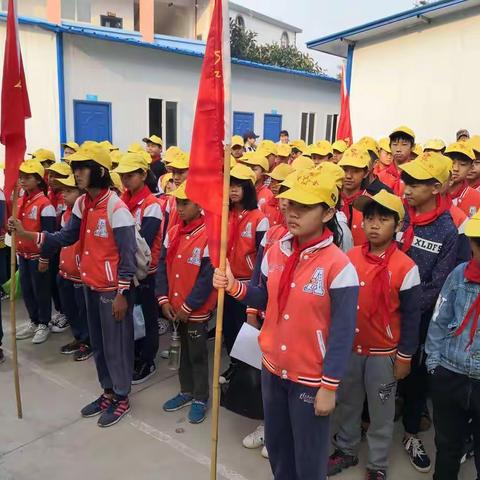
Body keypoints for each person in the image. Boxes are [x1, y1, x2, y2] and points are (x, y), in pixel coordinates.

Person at [213, 169, 359, 480]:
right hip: (272, 368)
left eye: (305, 207)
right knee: (279, 450)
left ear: (328, 212)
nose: (293, 212)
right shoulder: (277, 249)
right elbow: (264, 297)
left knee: (308, 458)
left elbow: (343, 333)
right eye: (290, 203)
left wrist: (329, 387)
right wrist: (233, 286)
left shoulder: (338, 266)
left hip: (309, 377)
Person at [11, 144, 137, 427]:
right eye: (75, 167)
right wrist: (26, 233)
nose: (77, 173)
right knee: (100, 345)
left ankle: (122, 396)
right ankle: (107, 390)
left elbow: (127, 255)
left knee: (116, 345)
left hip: (110, 289)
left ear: (100, 171)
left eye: (83, 168)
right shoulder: (82, 204)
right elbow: (65, 237)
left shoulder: (116, 208)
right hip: (89, 284)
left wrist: (122, 293)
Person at [329, 190, 421, 480]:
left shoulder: (406, 267)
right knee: (348, 401)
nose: (374, 224)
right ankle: (346, 448)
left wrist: (405, 356)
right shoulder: (350, 256)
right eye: (369, 218)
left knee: (381, 410)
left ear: (397, 225)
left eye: (383, 219)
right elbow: (337, 303)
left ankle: (378, 464)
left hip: (384, 353)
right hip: (351, 348)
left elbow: (411, 318)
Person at [396, 151, 458, 472]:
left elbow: (439, 284)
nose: (406, 188)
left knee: (416, 376)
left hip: (418, 319)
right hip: (385, 312)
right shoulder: (399, 214)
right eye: (406, 180)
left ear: (435, 188)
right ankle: (370, 417)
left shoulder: (449, 230)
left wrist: (404, 307)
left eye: (415, 183)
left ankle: (410, 430)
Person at [426, 209, 480, 480]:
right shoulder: (460, 275)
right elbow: (440, 317)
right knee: (447, 445)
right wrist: (435, 362)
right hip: (451, 372)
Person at [157, 181, 216, 424]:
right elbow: (162, 266)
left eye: (185, 203)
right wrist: (163, 299)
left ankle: (201, 396)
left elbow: (206, 277)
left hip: (195, 310)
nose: (179, 208)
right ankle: (186, 390)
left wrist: (188, 306)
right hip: (174, 306)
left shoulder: (208, 236)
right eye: (177, 203)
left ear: (199, 205)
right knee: (180, 350)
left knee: (198, 355)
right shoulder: (173, 233)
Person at [114, 153, 163, 384]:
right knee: (133, 316)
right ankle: (134, 354)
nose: (125, 180)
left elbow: (143, 240)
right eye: (122, 176)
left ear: (144, 175)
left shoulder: (152, 206)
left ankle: (147, 359)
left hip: (145, 270)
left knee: (147, 316)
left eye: (130, 175)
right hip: (127, 269)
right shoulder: (123, 201)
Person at [221, 164, 268, 383]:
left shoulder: (260, 218)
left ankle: (248, 372)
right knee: (229, 328)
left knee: (247, 330)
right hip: (227, 281)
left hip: (248, 283)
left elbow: (262, 258)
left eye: (239, 185)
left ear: (249, 188)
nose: (234, 190)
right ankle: (233, 364)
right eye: (231, 184)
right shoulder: (225, 214)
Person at [14, 160, 56, 345]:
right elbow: (20, 228)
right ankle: (34, 320)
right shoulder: (21, 200)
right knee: (27, 290)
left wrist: (45, 258)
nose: (23, 181)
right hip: (23, 255)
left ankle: (44, 323)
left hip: (37, 256)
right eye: (21, 177)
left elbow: (48, 235)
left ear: (39, 180)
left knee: (41, 291)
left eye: (28, 177)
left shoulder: (45, 205)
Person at [53, 175, 92, 361]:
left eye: (69, 191)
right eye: (62, 191)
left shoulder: (86, 214)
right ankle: (78, 337)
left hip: (80, 273)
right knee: (70, 309)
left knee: (83, 311)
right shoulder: (65, 214)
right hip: (65, 270)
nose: (64, 195)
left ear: (81, 193)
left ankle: (88, 341)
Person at [45, 162, 72, 333]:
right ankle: (62, 311)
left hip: (62, 243)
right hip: (55, 243)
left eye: (56, 176)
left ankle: (67, 314)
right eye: (50, 175)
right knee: (55, 282)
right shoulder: (50, 194)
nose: (51, 179)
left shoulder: (70, 199)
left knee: (64, 283)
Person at [377, 126, 415, 197]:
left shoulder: (418, 175)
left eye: (404, 144)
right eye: (394, 144)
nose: (398, 149)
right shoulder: (380, 177)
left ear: (413, 147)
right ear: (390, 146)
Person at [445, 141, 480, 218]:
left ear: (471, 167)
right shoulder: (432, 194)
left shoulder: (477, 199)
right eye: (452, 163)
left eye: (463, 164)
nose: (455, 168)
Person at [260, 164, 293, 228]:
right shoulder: (265, 206)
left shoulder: (293, 209)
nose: (274, 186)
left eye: (279, 182)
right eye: (272, 181)